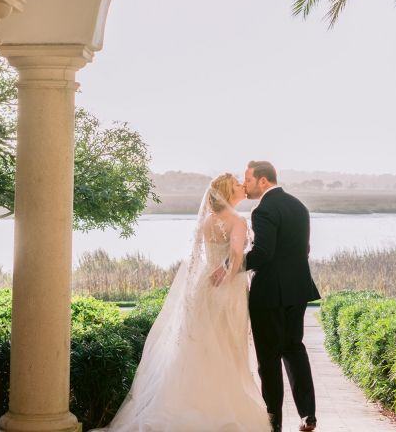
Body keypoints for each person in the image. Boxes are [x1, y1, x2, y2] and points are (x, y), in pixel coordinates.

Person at [94, 173, 270, 432]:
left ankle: (190, 400)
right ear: (228, 192)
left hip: (202, 289)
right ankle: (220, 406)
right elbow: (234, 255)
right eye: (237, 185)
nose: (242, 186)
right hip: (226, 290)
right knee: (228, 346)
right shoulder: (238, 221)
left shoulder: (207, 221)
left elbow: (197, 257)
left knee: (201, 346)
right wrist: (228, 275)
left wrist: (211, 277)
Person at [241, 160, 320, 432]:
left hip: (269, 294)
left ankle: (274, 422)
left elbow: (263, 252)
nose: (246, 185)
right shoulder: (299, 206)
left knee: (269, 359)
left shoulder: (263, 210)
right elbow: (304, 249)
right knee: (294, 348)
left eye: (248, 180)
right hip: (298, 289)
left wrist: (230, 266)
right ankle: (308, 415)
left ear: (263, 181)